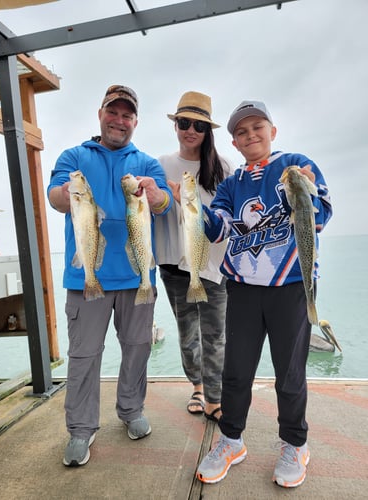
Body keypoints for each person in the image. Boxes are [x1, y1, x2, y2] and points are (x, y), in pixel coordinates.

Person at [196, 100, 332, 487]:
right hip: (241, 289)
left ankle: (294, 443)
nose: (250, 135)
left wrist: (306, 190)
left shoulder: (295, 163)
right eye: (241, 131)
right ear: (234, 143)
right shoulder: (232, 183)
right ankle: (230, 440)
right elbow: (217, 229)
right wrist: (191, 208)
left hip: (291, 287)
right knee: (235, 372)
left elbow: (321, 216)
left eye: (258, 127)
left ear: (273, 130)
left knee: (289, 373)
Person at [47, 85, 172, 467]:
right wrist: (68, 194)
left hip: (138, 276)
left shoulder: (147, 163)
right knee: (84, 355)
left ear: (136, 121)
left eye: (127, 115)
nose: (120, 120)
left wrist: (155, 196)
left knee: (138, 348)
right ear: (100, 113)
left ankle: (131, 410)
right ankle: (81, 429)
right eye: (113, 112)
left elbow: (164, 203)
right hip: (88, 277)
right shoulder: (75, 156)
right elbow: (54, 196)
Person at [154, 91, 235, 422]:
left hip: (213, 266)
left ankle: (215, 396)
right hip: (174, 265)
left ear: (208, 131)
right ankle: (198, 387)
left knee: (215, 337)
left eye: (198, 125)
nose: (190, 130)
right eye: (184, 123)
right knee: (188, 337)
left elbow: (233, 218)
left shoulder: (224, 167)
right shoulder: (161, 165)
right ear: (176, 125)